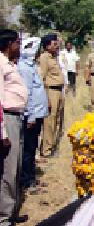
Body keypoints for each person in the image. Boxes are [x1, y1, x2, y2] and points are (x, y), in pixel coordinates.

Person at [0, 29, 28, 226]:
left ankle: (12, 210)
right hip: (7, 119)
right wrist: (2, 132)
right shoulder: (0, 64)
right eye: (18, 42)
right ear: (9, 44)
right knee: (8, 170)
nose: (20, 46)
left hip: (17, 118)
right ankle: (4, 218)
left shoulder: (10, 63)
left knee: (16, 167)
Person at [17, 37, 49, 191]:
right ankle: (26, 181)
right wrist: (30, 116)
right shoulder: (24, 68)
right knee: (28, 149)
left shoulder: (31, 66)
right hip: (32, 115)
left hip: (37, 113)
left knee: (32, 146)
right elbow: (27, 93)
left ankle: (31, 177)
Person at [39, 33, 64, 157]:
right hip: (51, 91)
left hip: (59, 91)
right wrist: (46, 98)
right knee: (49, 122)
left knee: (57, 120)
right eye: (54, 44)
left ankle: (52, 145)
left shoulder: (54, 57)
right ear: (47, 46)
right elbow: (41, 79)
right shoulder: (44, 58)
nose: (57, 45)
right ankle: (46, 150)